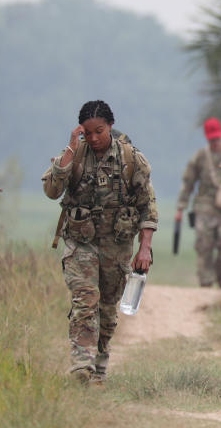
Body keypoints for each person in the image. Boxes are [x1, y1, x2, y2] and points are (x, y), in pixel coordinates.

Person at [42, 100, 158, 384]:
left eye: (100, 131)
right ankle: (82, 365)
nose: (94, 138)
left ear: (110, 127)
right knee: (85, 300)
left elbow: (148, 206)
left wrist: (145, 249)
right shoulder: (76, 154)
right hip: (80, 243)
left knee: (106, 310)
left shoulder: (131, 159)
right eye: (88, 133)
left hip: (116, 247)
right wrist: (71, 147)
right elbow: (51, 190)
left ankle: (100, 366)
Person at [175, 117, 221, 288]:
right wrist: (181, 207)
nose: (215, 142)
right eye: (212, 139)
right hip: (205, 205)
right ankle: (206, 282)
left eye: (217, 138)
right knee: (204, 245)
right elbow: (188, 182)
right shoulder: (200, 157)